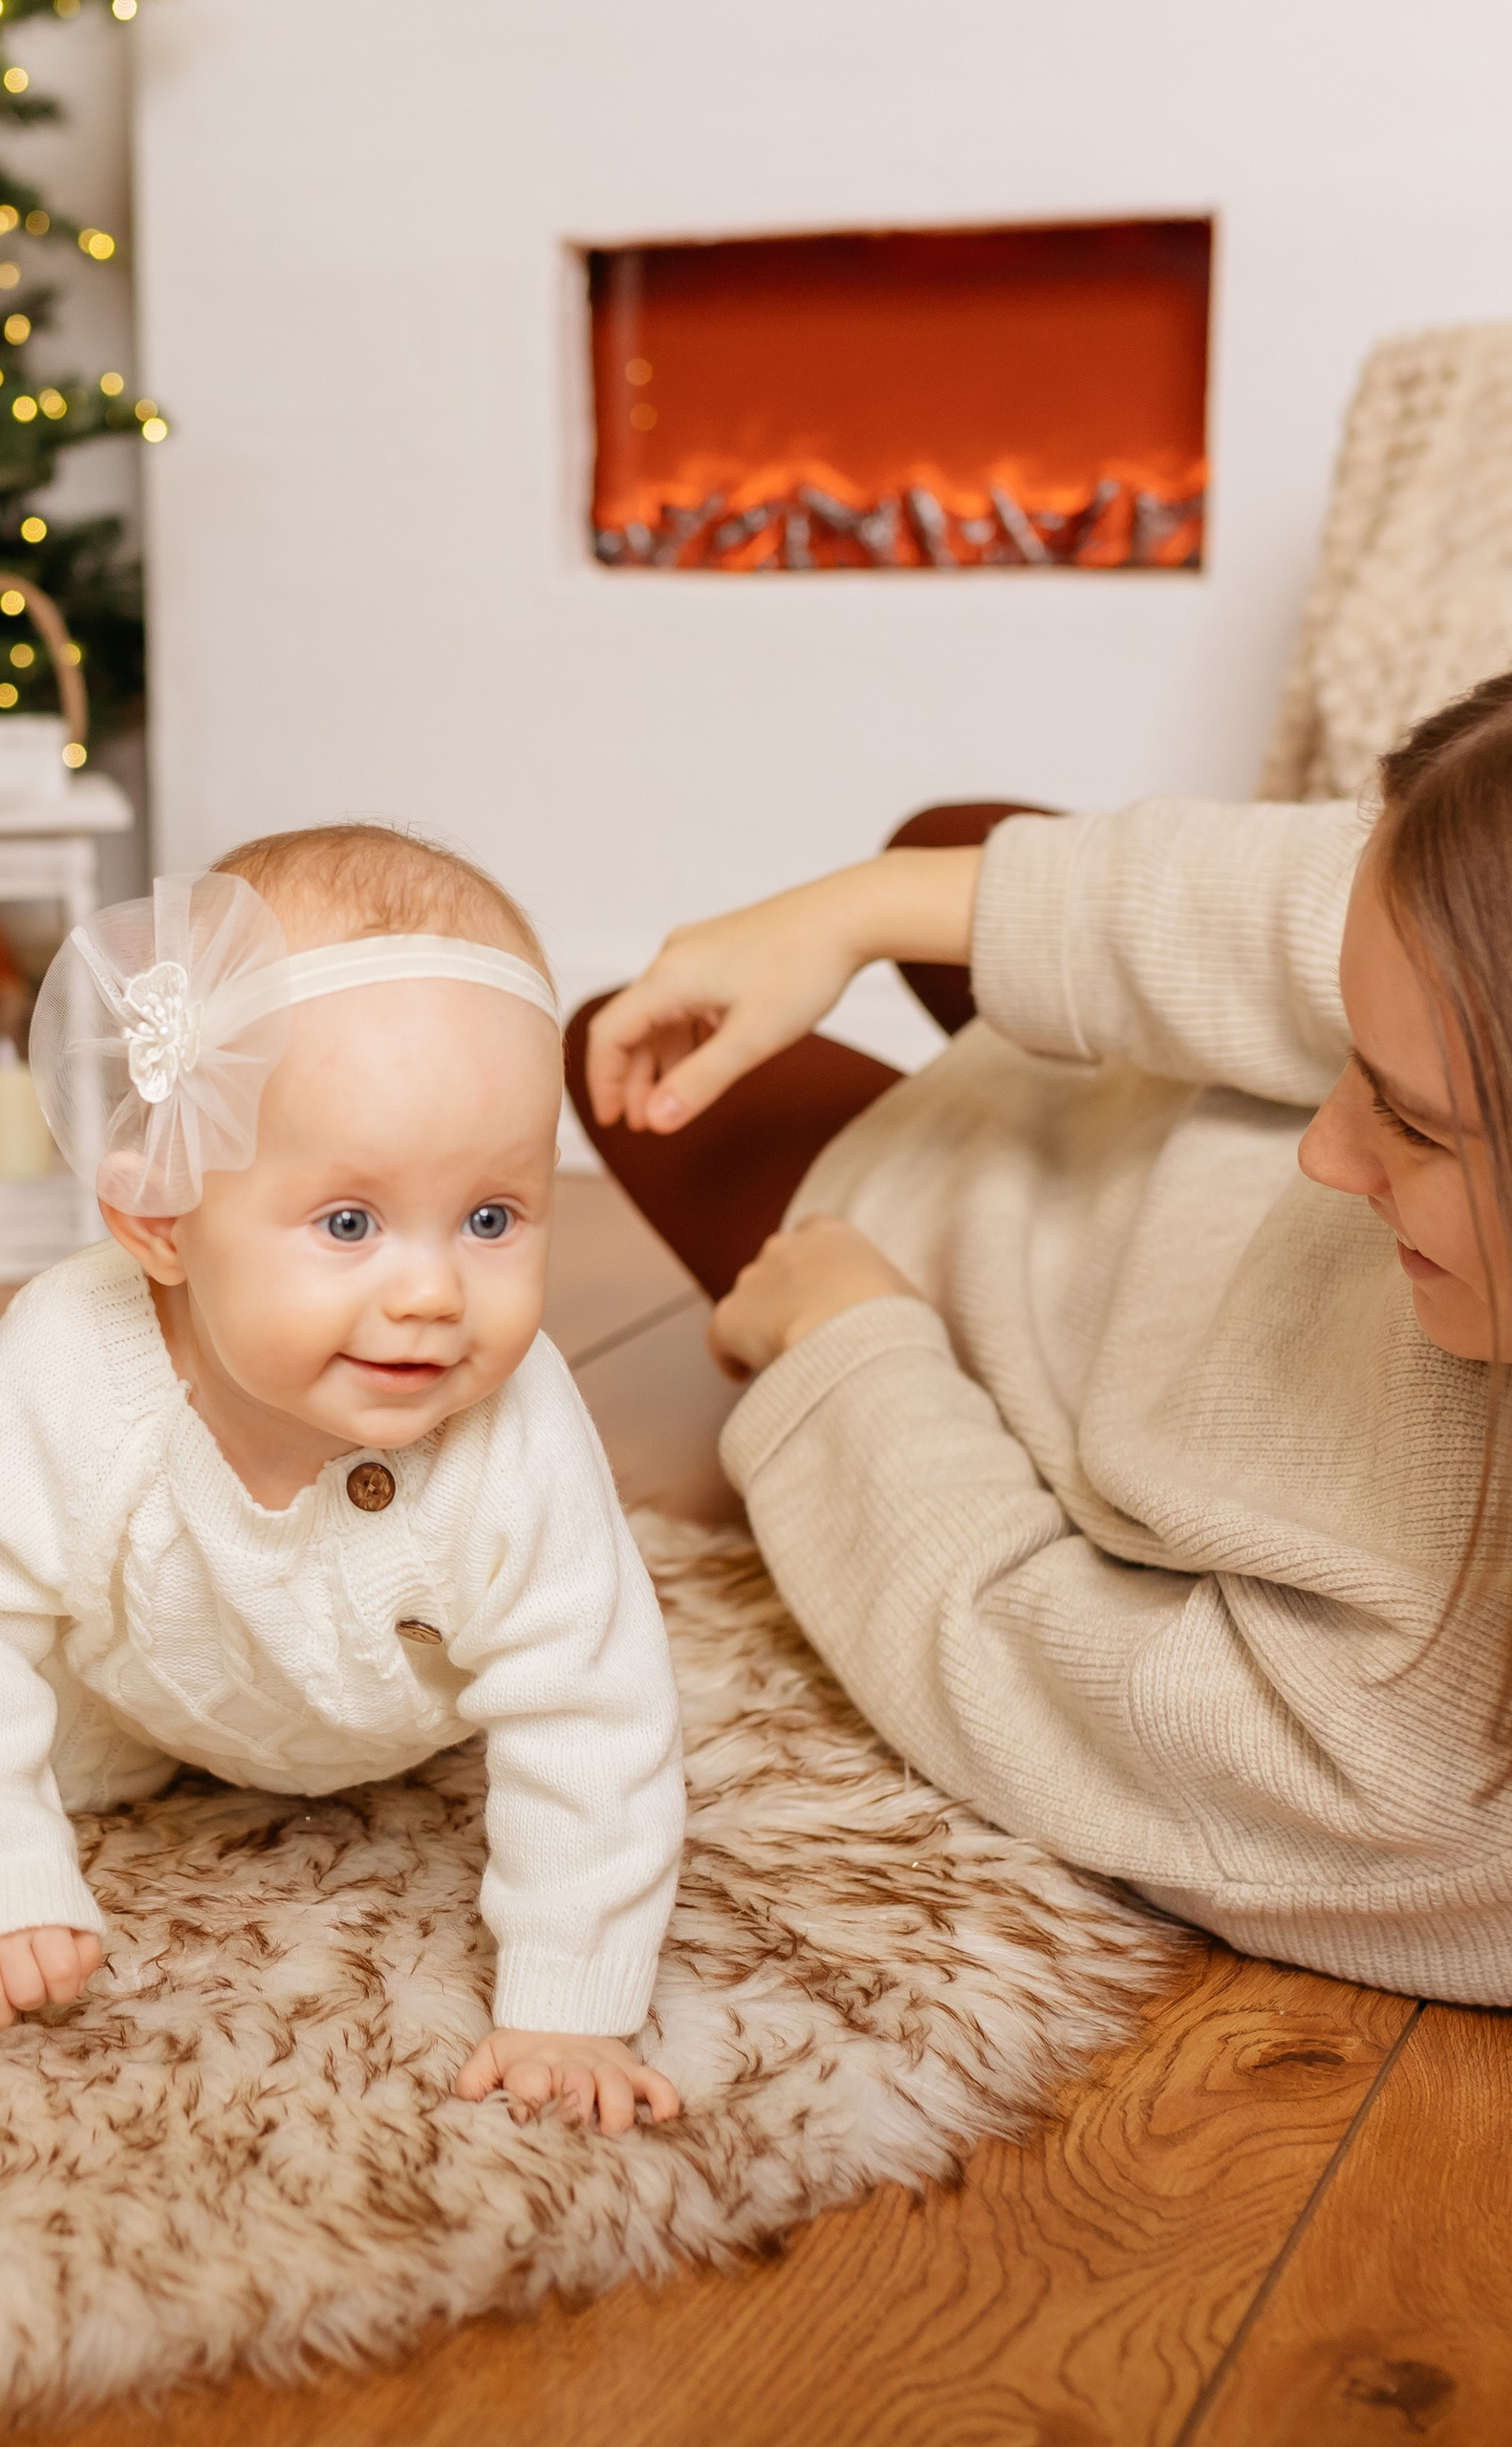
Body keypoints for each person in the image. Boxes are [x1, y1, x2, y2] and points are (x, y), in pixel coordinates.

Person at [576, 671, 1512, 2005]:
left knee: (614, 1059)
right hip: (1174, 1155)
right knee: (941, 841)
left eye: (1415, 1125)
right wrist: (847, 911)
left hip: (978, 1269)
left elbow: (1032, 1678)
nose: (1330, 1140)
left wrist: (848, 1339)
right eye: (1354, 1066)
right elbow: (1319, 891)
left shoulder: (1434, 1764)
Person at [0, 828, 687, 2134]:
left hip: (409, 1721)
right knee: (23, 1740)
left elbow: (595, 1708)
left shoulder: (513, 1424)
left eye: (491, 1218)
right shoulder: (72, 1362)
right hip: (127, 1692)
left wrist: (570, 1999)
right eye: (348, 1223)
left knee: (571, 1688)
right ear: (160, 1220)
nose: (430, 1294)